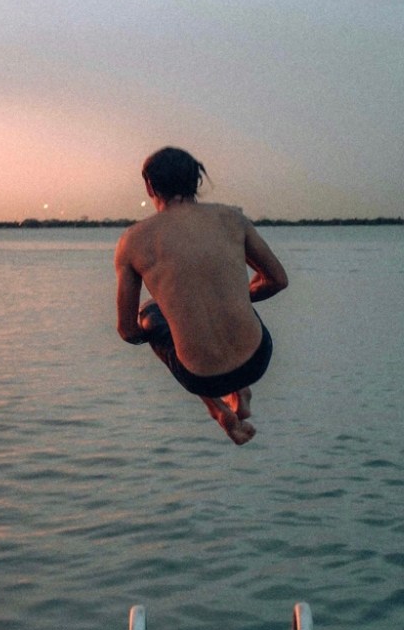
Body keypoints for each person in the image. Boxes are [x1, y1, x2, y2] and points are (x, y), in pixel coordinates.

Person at [115, 147, 288, 444]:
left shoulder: (133, 241)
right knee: (237, 291)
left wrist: (173, 318)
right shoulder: (232, 219)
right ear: (196, 181)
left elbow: (128, 330)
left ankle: (218, 408)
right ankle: (241, 391)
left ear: (149, 186)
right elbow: (277, 280)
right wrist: (230, 297)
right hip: (258, 358)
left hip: (203, 377)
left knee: (150, 313)